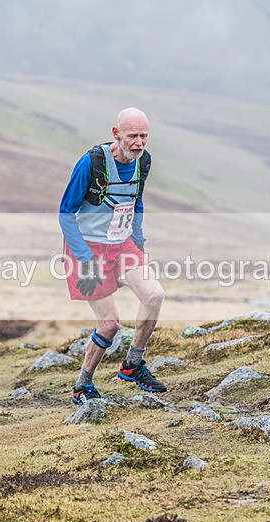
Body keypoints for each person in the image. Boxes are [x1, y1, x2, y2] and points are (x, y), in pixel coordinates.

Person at [59, 107, 166, 405]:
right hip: (87, 249)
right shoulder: (90, 163)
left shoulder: (143, 161)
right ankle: (83, 384)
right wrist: (84, 259)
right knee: (109, 324)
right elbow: (66, 214)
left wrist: (139, 241)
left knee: (154, 295)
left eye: (144, 136)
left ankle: (132, 365)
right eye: (132, 136)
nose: (139, 143)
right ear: (116, 133)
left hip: (122, 246)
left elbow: (137, 202)